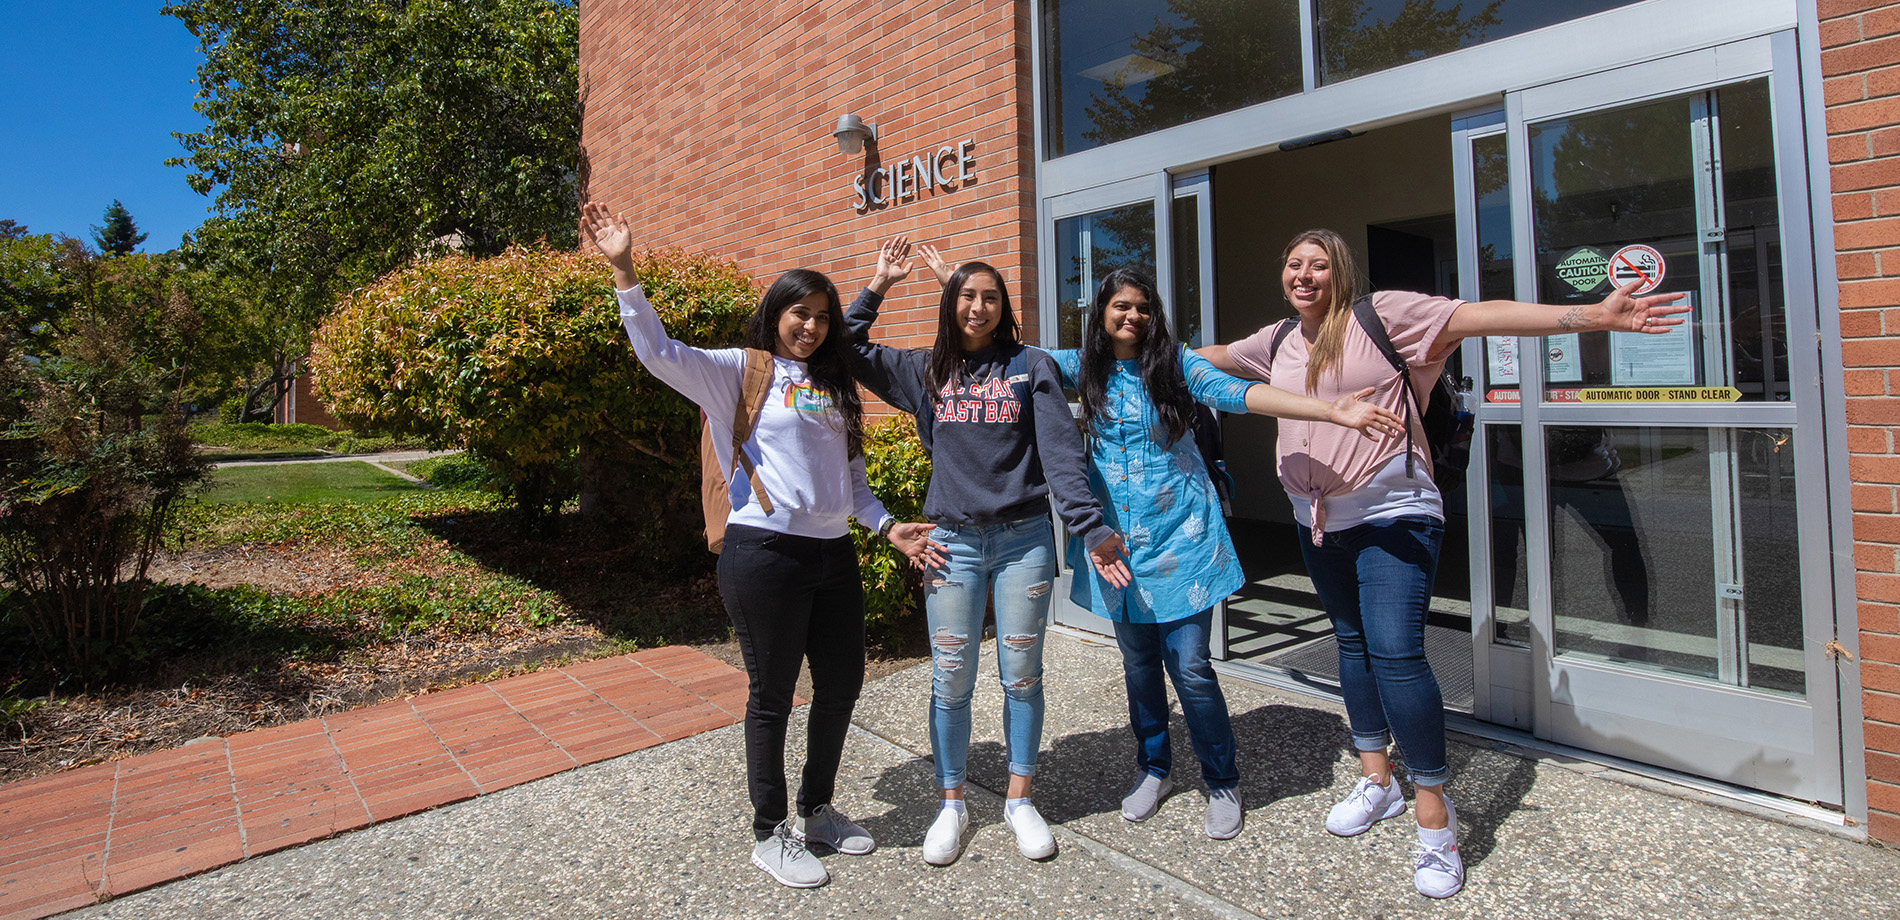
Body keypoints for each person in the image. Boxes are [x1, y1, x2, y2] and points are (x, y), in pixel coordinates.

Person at [1202, 228, 1688, 898]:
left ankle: (1435, 819)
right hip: (1316, 520)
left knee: (1396, 653)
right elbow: (1207, 359)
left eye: (1318, 265)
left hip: (1392, 510)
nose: (1303, 275)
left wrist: (1592, 316)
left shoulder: (1384, 316)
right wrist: (1121, 351)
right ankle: (1377, 780)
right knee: (1351, 644)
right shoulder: (1279, 339)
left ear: (1341, 273)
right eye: (1293, 265)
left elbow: (1483, 316)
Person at [582, 203, 937, 889]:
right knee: (773, 695)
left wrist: (887, 527)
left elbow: (852, 484)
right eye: (800, 313)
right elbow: (658, 352)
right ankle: (770, 832)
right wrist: (624, 269)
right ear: (775, 314)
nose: (811, 326)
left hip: (832, 556)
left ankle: (817, 809)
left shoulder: (834, 385)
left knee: (842, 685)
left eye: (823, 317)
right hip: (764, 554)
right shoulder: (738, 372)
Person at [1023, 264, 1402, 841]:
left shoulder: (1176, 365)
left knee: (1191, 667)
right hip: (1115, 545)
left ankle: (1222, 780)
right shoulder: (1081, 368)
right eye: (1121, 306)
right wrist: (961, 286)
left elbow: (1241, 393)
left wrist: (1329, 409)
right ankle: (1154, 769)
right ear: (1101, 313)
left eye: (1143, 307)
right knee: (1139, 664)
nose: (1132, 316)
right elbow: (1013, 357)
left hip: (1184, 537)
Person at [844, 237, 1131, 866]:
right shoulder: (925, 371)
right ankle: (951, 804)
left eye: (990, 298)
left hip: (1024, 541)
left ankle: (1019, 800)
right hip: (952, 545)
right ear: (950, 303)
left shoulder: (1031, 366)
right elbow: (845, 346)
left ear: (1004, 307)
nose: (978, 307)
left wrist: (1089, 527)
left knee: (1022, 677)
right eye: (967, 296)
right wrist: (879, 285)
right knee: (951, 680)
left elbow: (1060, 454)